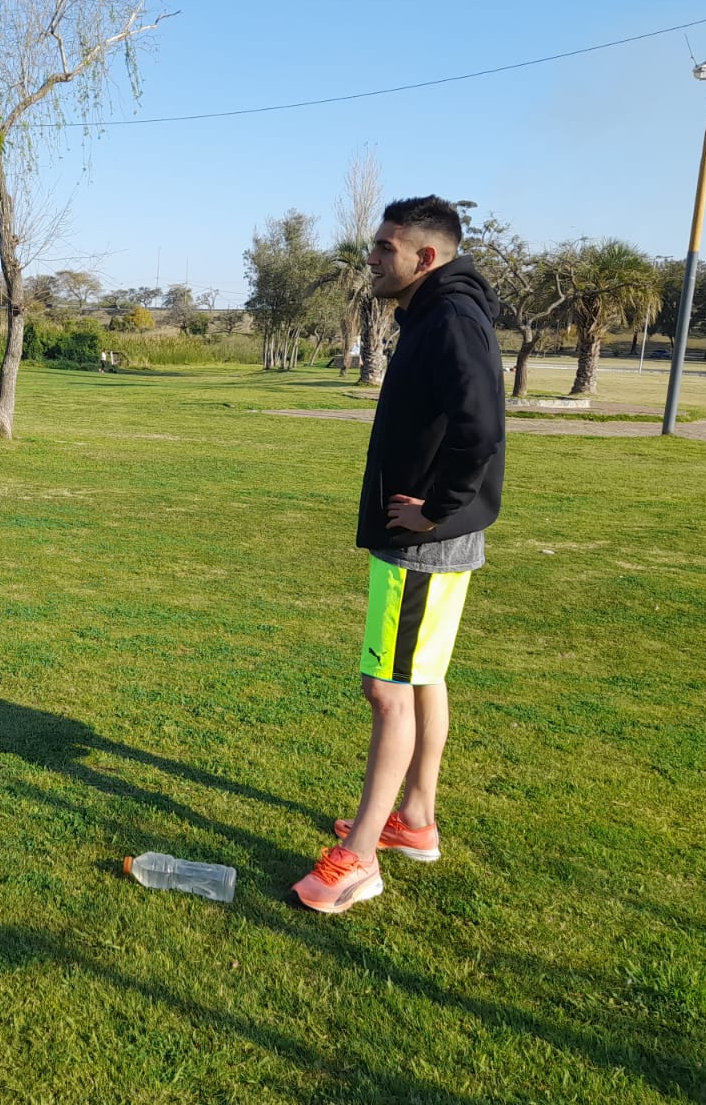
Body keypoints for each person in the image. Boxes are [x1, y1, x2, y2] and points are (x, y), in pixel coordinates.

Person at [291, 196, 506, 913]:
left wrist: (435, 509)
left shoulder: (448, 318)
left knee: (386, 690)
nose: (373, 259)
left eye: (385, 248)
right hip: (429, 536)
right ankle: (413, 821)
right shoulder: (437, 311)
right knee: (420, 678)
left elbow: (482, 427)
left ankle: (357, 863)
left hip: (424, 542)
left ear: (426, 256)